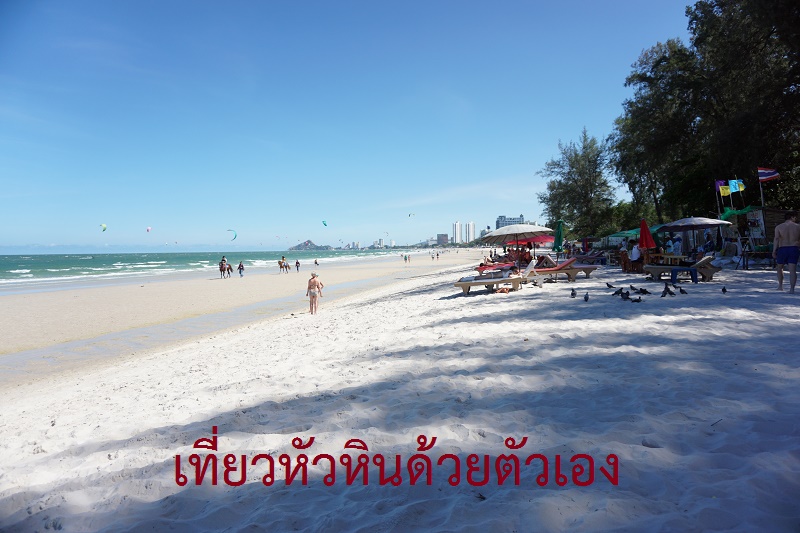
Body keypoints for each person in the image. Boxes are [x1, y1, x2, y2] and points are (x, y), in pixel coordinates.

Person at [773, 210, 800, 293]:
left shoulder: (779, 227)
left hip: (782, 248)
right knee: (792, 270)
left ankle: (780, 286)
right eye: (795, 217)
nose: (796, 219)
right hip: (794, 248)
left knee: (779, 267)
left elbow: (776, 239)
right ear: (792, 217)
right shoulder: (798, 227)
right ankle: (792, 289)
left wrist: (774, 250)